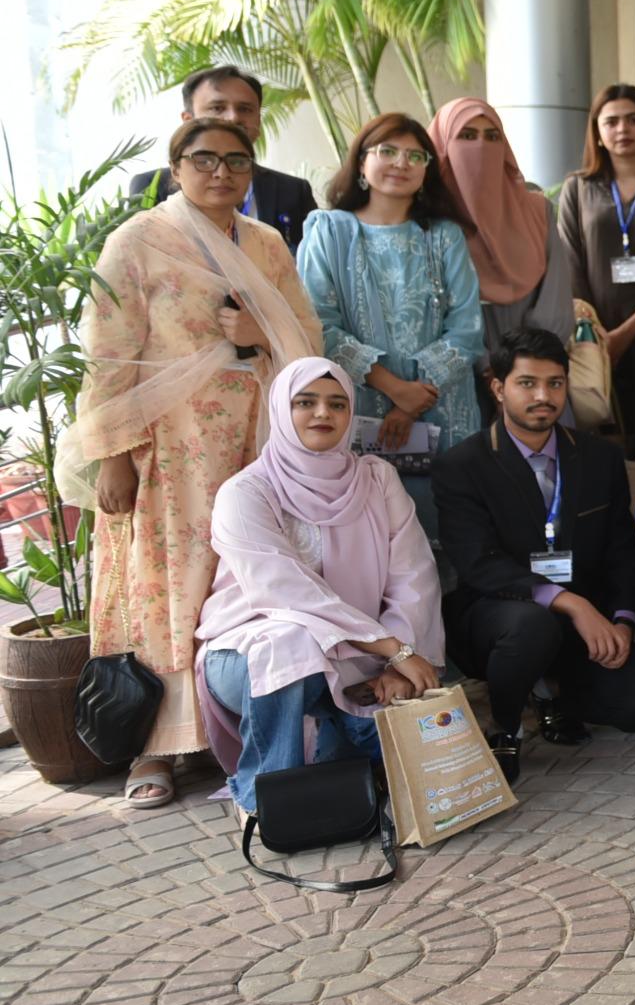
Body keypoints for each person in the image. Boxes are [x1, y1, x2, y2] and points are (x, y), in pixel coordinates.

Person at [69, 116, 323, 807]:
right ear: (176, 166)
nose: (221, 173)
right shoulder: (137, 241)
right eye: (204, 159)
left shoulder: (266, 243)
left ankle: (224, 733)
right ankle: (151, 748)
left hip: (253, 442)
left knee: (236, 579)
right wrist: (112, 456)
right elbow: (107, 355)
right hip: (165, 449)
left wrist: (263, 332)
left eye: (237, 161)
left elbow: (307, 337)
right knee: (163, 585)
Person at [195, 359, 442, 815]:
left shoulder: (376, 480)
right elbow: (286, 591)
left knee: (398, 755)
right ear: (280, 411)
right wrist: (392, 648)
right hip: (248, 655)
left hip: (361, 658)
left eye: (337, 404)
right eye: (305, 402)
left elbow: (413, 577)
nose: (322, 413)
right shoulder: (246, 492)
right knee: (290, 641)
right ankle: (271, 798)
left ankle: (341, 759)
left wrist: (396, 662)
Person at [435, 328, 635, 780]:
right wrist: (569, 602)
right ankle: (506, 726)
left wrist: (622, 619)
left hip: (586, 616)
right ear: (498, 388)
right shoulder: (462, 465)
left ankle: (552, 691)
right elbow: (478, 563)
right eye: (527, 383)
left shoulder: (599, 457)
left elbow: (621, 550)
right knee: (531, 626)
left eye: (555, 383)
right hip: (500, 615)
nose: (543, 396)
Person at [298, 113, 485, 524]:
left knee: (448, 529)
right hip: (357, 404)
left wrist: (414, 402)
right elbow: (317, 324)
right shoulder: (329, 230)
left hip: (443, 407)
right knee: (367, 528)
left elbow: (468, 328)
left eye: (415, 156)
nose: (402, 163)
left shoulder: (444, 236)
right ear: (361, 162)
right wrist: (396, 389)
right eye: (388, 151)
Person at [558, 85, 635, 455]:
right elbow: (570, 262)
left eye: (633, 119)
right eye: (611, 122)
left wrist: (627, 332)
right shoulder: (577, 188)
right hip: (593, 337)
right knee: (599, 440)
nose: (623, 129)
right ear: (597, 132)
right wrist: (596, 332)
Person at [429, 97, 576, 367]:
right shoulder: (427, 221)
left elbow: (555, 299)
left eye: (492, 136)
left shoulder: (536, 211)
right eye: (467, 135)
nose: (481, 146)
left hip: (532, 368)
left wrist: (517, 368)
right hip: (452, 368)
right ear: (442, 147)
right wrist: (483, 364)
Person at [126, 65, 318, 249]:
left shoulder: (293, 191)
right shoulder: (152, 186)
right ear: (188, 121)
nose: (233, 117)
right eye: (217, 108)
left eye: (245, 109)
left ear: (258, 121)